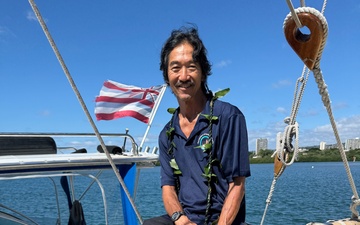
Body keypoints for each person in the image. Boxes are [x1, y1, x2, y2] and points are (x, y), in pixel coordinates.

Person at [144, 26, 251, 225]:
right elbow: (168, 188)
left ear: (203, 73)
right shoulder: (167, 134)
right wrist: (180, 219)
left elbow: (237, 185)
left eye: (191, 67)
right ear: (167, 76)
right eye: (175, 68)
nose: (183, 76)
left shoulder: (228, 117)